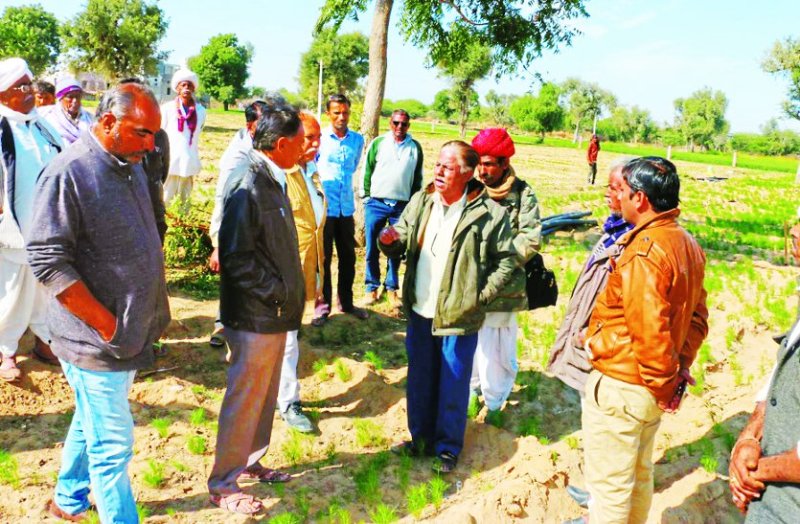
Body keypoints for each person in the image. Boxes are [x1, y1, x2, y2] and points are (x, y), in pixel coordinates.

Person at [27, 81, 170, 523]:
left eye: (154, 134)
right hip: (94, 340)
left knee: (90, 420)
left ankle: (68, 499)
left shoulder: (131, 164)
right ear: (108, 121)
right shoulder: (69, 172)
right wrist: (109, 326)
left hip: (126, 333)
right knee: (113, 446)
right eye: (142, 133)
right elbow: (47, 260)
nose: (151, 145)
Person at [577, 156, 708, 524]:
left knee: (609, 493)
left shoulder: (646, 250)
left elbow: (650, 331)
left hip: (625, 386)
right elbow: (697, 320)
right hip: (648, 387)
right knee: (637, 479)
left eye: (623, 191)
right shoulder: (685, 242)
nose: (617, 197)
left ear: (641, 198)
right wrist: (677, 371)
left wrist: (665, 384)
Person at [378, 140, 518, 474]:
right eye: (438, 164)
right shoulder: (422, 200)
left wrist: (478, 297)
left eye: (448, 167)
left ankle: (447, 448)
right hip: (420, 309)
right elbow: (403, 232)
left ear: (468, 173)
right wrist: (390, 240)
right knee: (420, 380)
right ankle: (420, 440)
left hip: (459, 314)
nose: (438, 171)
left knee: (453, 383)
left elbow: (506, 262)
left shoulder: (490, 213)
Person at [208, 103, 306, 516]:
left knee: (264, 396)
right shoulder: (248, 183)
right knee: (246, 397)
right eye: (300, 141)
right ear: (281, 144)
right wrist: (277, 294)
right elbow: (236, 257)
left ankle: (250, 462)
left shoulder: (273, 177)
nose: (305, 148)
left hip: (273, 313)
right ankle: (223, 483)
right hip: (255, 315)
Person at [549, 159, 635, 511]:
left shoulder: (633, 242)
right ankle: (600, 490)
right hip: (594, 342)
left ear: (636, 195)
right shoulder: (614, 231)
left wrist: (595, 334)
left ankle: (604, 504)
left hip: (607, 350)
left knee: (609, 429)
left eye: (615, 188)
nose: (608, 194)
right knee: (596, 422)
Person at [468, 128, 540, 414]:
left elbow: (530, 239)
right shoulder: (471, 189)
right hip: (470, 283)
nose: (482, 171)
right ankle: (471, 392)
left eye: (488, 164)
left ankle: (495, 403)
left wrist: (500, 262)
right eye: (478, 164)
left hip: (505, 286)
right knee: (470, 342)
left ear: (504, 163)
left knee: (497, 350)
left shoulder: (523, 194)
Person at [0, 57, 63, 381]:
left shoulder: (42, 126)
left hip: (47, 230)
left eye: (29, 84)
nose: (29, 91)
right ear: (3, 93)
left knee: (44, 291)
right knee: (11, 293)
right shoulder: (2, 128)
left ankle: (44, 342)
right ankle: (6, 351)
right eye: (20, 86)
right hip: (12, 231)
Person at [207, 99, 271, 348]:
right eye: (262, 122)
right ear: (249, 126)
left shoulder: (267, 147)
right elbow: (222, 198)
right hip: (238, 226)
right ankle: (222, 325)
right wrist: (217, 243)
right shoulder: (236, 155)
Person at [279, 111, 326, 433]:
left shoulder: (311, 172)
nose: (315, 144)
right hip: (283, 272)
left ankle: (278, 395)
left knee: (289, 337)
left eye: (318, 138)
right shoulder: (281, 175)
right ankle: (288, 402)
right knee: (286, 340)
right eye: (309, 138)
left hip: (305, 267)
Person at [360, 109, 423, 312]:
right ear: (390, 123)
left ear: (408, 126)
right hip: (376, 204)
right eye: (396, 123)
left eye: (403, 124)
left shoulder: (414, 148)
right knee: (372, 247)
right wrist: (366, 196)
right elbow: (367, 170)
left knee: (395, 248)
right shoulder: (378, 143)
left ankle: (392, 288)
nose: (399, 127)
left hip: (401, 207)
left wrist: (414, 205)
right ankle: (371, 287)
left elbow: (418, 179)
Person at [314, 94, 367, 325]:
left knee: (348, 257)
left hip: (346, 209)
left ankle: (346, 303)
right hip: (325, 209)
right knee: (323, 259)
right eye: (336, 112)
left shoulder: (357, 140)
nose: (341, 117)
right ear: (328, 114)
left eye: (345, 112)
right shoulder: (320, 139)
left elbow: (353, 167)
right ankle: (322, 307)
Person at [161, 67, 206, 209]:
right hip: (171, 158)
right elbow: (161, 132)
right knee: (166, 196)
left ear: (194, 89)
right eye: (183, 85)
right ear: (177, 88)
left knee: (185, 198)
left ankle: (182, 219)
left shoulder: (201, 111)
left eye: (190, 85)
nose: (186, 88)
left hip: (189, 157)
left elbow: (199, 131)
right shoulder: (167, 108)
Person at [41, 76, 94, 145]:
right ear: (60, 98)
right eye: (70, 97)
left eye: (78, 96)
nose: (75, 101)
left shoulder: (90, 118)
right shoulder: (49, 119)